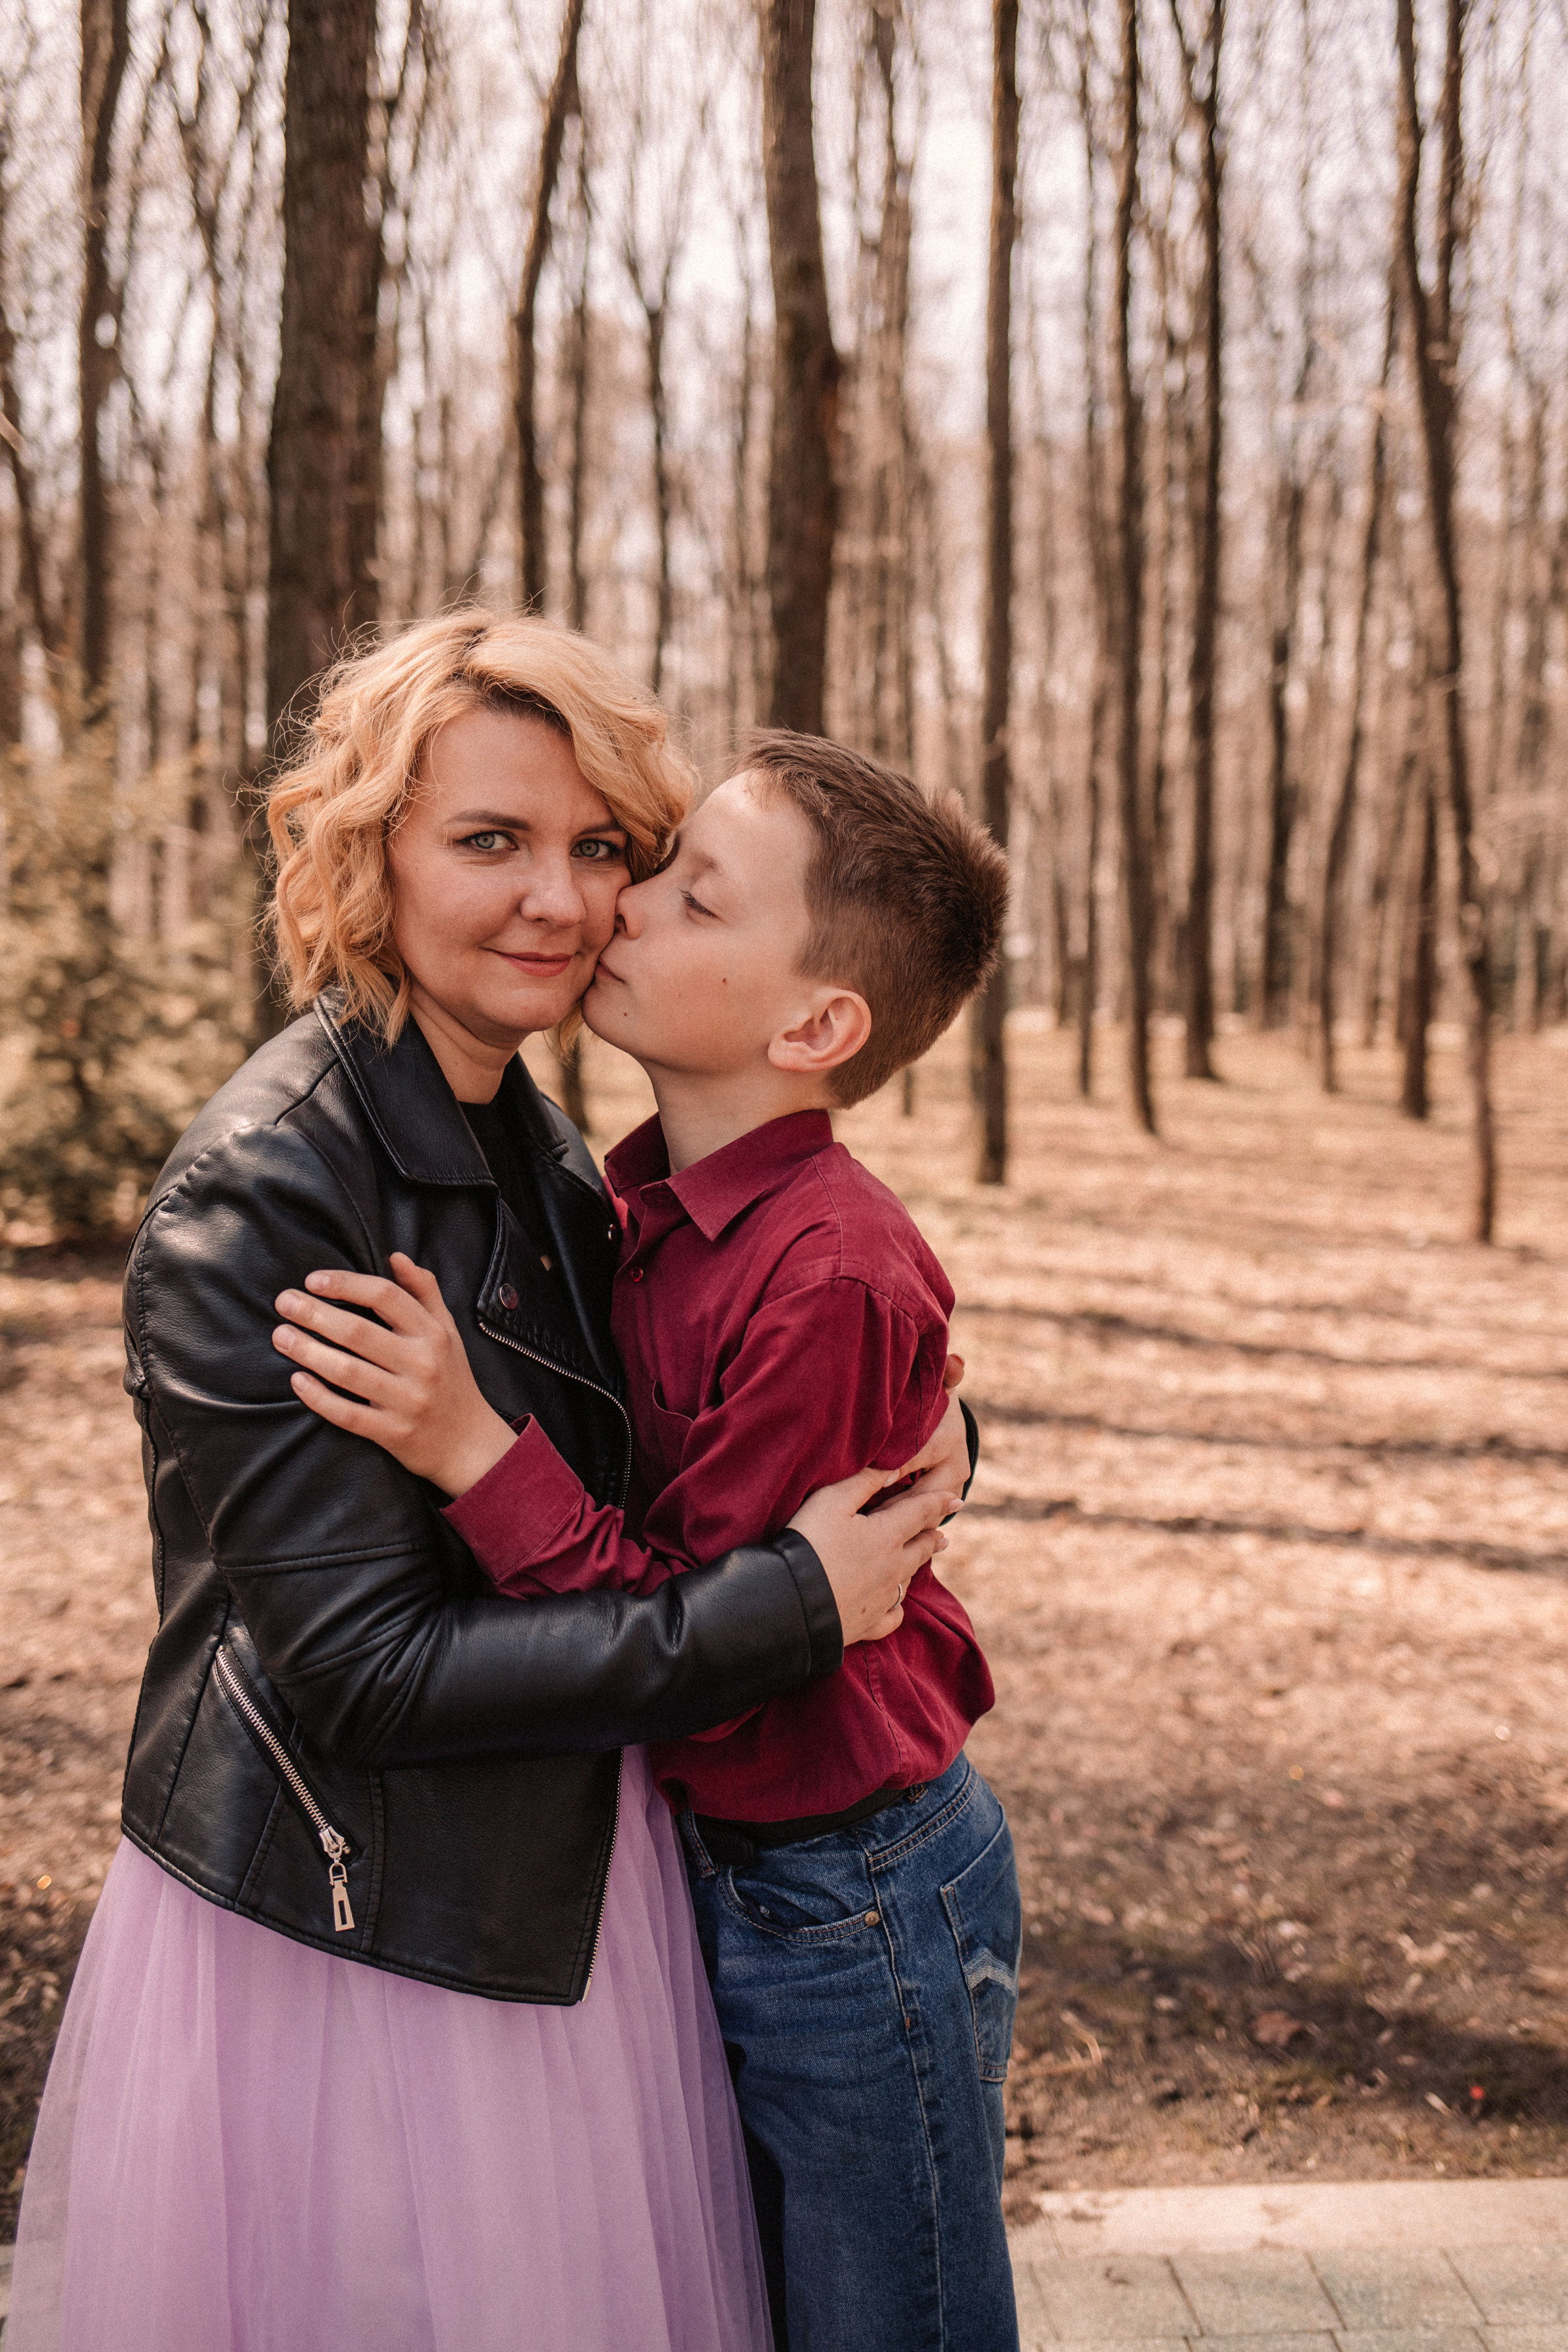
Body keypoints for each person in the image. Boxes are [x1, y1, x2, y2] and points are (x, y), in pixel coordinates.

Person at [7, 619, 970, 2352]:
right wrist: (800, 1604)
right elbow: (365, 1676)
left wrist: (920, 1445)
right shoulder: (272, 1197)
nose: (563, 899)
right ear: (371, 853)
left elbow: (717, 1387)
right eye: (489, 840)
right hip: (365, 1931)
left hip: (578, 1892)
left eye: (604, 849)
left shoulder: (539, 1141)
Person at [271, 732, 1021, 2351]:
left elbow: (713, 1645)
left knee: (891, 2317)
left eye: (691, 897)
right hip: (732, 1871)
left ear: (815, 1023)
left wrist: (476, 1450)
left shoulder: (825, 1274)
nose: (616, 909)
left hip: (852, 1891)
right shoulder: (630, 1207)